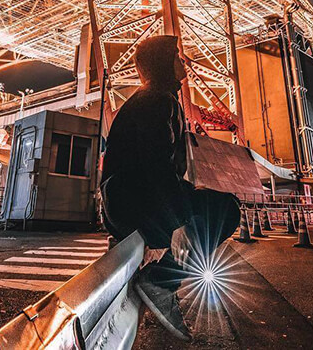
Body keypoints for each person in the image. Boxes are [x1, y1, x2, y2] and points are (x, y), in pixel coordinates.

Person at [101, 35, 240, 341]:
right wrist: (167, 229)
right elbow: (157, 169)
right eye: (177, 56)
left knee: (203, 208)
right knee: (226, 210)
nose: (183, 63)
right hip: (135, 200)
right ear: (165, 64)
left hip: (124, 200)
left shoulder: (151, 99)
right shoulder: (158, 102)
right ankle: (162, 282)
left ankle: (163, 275)